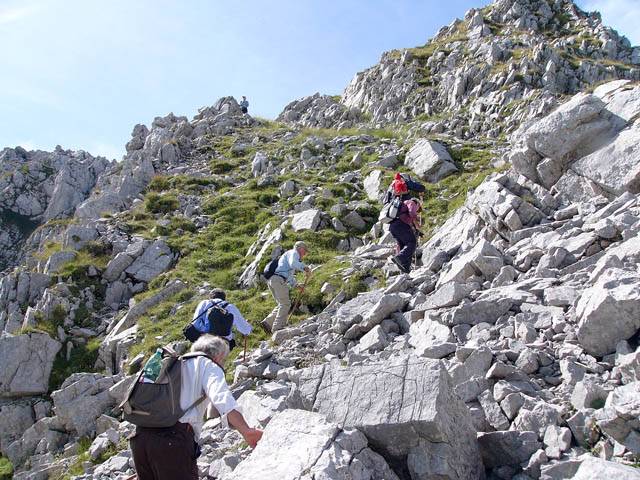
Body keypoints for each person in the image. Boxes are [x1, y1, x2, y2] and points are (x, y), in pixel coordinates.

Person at [130, 335, 263, 480]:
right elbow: (222, 398)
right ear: (218, 356)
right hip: (172, 440)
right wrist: (246, 431)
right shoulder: (208, 365)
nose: (223, 364)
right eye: (224, 360)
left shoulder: (172, 364)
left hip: (140, 438)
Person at [261, 241, 310, 334]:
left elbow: (289, 274)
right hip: (278, 280)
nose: (305, 254)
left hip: (272, 280)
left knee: (281, 304)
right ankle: (277, 328)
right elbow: (293, 264)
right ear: (301, 248)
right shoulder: (294, 253)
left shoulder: (287, 255)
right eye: (305, 251)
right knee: (286, 304)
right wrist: (305, 268)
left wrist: (296, 285)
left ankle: (268, 322)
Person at [389, 198, 423, 274]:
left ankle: (405, 269)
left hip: (393, 227)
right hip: (401, 225)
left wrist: (418, 232)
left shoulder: (402, 205)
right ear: (417, 203)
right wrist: (417, 225)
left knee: (402, 245)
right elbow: (411, 213)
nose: (417, 211)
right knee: (412, 242)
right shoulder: (412, 203)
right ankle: (400, 257)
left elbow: (409, 219)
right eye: (418, 209)